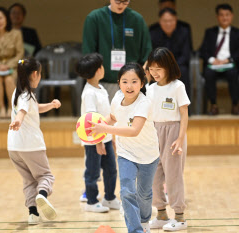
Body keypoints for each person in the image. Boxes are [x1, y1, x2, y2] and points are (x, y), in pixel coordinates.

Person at [88, 63, 160, 233]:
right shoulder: (116, 98)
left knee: (144, 194)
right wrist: (98, 124)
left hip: (148, 154)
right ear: (119, 82)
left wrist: (105, 129)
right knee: (127, 191)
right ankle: (135, 230)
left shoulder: (144, 103)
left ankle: (143, 222)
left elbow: (134, 130)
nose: (129, 86)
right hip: (126, 153)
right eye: (125, 81)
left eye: (134, 81)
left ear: (142, 84)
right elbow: (114, 117)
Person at [8, 57, 60, 224]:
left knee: (29, 180)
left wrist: (51, 105)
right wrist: (18, 120)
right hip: (31, 145)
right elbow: (23, 111)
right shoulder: (26, 95)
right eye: (40, 74)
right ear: (35, 74)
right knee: (46, 176)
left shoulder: (17, 93)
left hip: (14, 147)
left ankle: (33, 213)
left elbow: (33, 108)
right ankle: (42, 195)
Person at [146, 47, 190, 231]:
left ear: (168, 67)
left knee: (173, 176)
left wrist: (180, 139)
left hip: (173, 132)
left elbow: (184, 114)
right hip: (153, 132)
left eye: (159, 68)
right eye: (151, 68)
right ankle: (162, 214)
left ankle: (179, 217)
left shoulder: (178, 86)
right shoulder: (149, 88)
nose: (154, 73)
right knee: (153, 176)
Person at [75, 53, 120, 213]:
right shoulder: (89, 93)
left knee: (111, 170)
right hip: (94, 141)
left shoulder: (100, 88)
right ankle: (92, 201)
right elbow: (91, 121)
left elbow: (104, 116)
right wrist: (98, 142)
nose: (103, 68)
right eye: (100, 66)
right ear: (95, 71)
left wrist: (110, 136)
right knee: (93, 171)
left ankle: (109, 197)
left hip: (105, 137)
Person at [82, 0, 152, 101]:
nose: (121, 5)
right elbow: (88, 53)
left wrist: (142, 78)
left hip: (131, 84)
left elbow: (147, 52)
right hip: (103, 82)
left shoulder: (137, 19)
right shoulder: (94, 18)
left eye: (125, 2)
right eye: (118, 1)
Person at [199, 3, 239, 115]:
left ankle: (235, 105)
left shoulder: (238, 33)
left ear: (232, 16)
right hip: (214, 65)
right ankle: (213, 105)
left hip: (229, 64)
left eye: (227, 15)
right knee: (208, 73)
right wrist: (212, 60)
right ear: (217, 17)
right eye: (221, 15)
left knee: (233, 73)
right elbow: (202, 50)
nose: (224, 18)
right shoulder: (210, 32)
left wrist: (228, 60)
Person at [0, 7, 24, 118]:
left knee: (8, 79)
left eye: (1, 18)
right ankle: (1, 108)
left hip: (13, 66)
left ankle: (11, 108)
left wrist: (7, 66)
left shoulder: (16, 34)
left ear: (6, 19)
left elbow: (20, 54)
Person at [150, 8, 191, 100]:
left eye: (171, 21)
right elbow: (151, 55)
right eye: (165, 21)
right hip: (158, 65)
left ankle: (185, 107)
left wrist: (171, 67)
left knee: (183, 71)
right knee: (151, 71)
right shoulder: (153, 33)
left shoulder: (184, 32)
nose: (168, 24)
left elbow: (186, 55)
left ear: (175, 20)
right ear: (160, 21)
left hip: (177, 65)